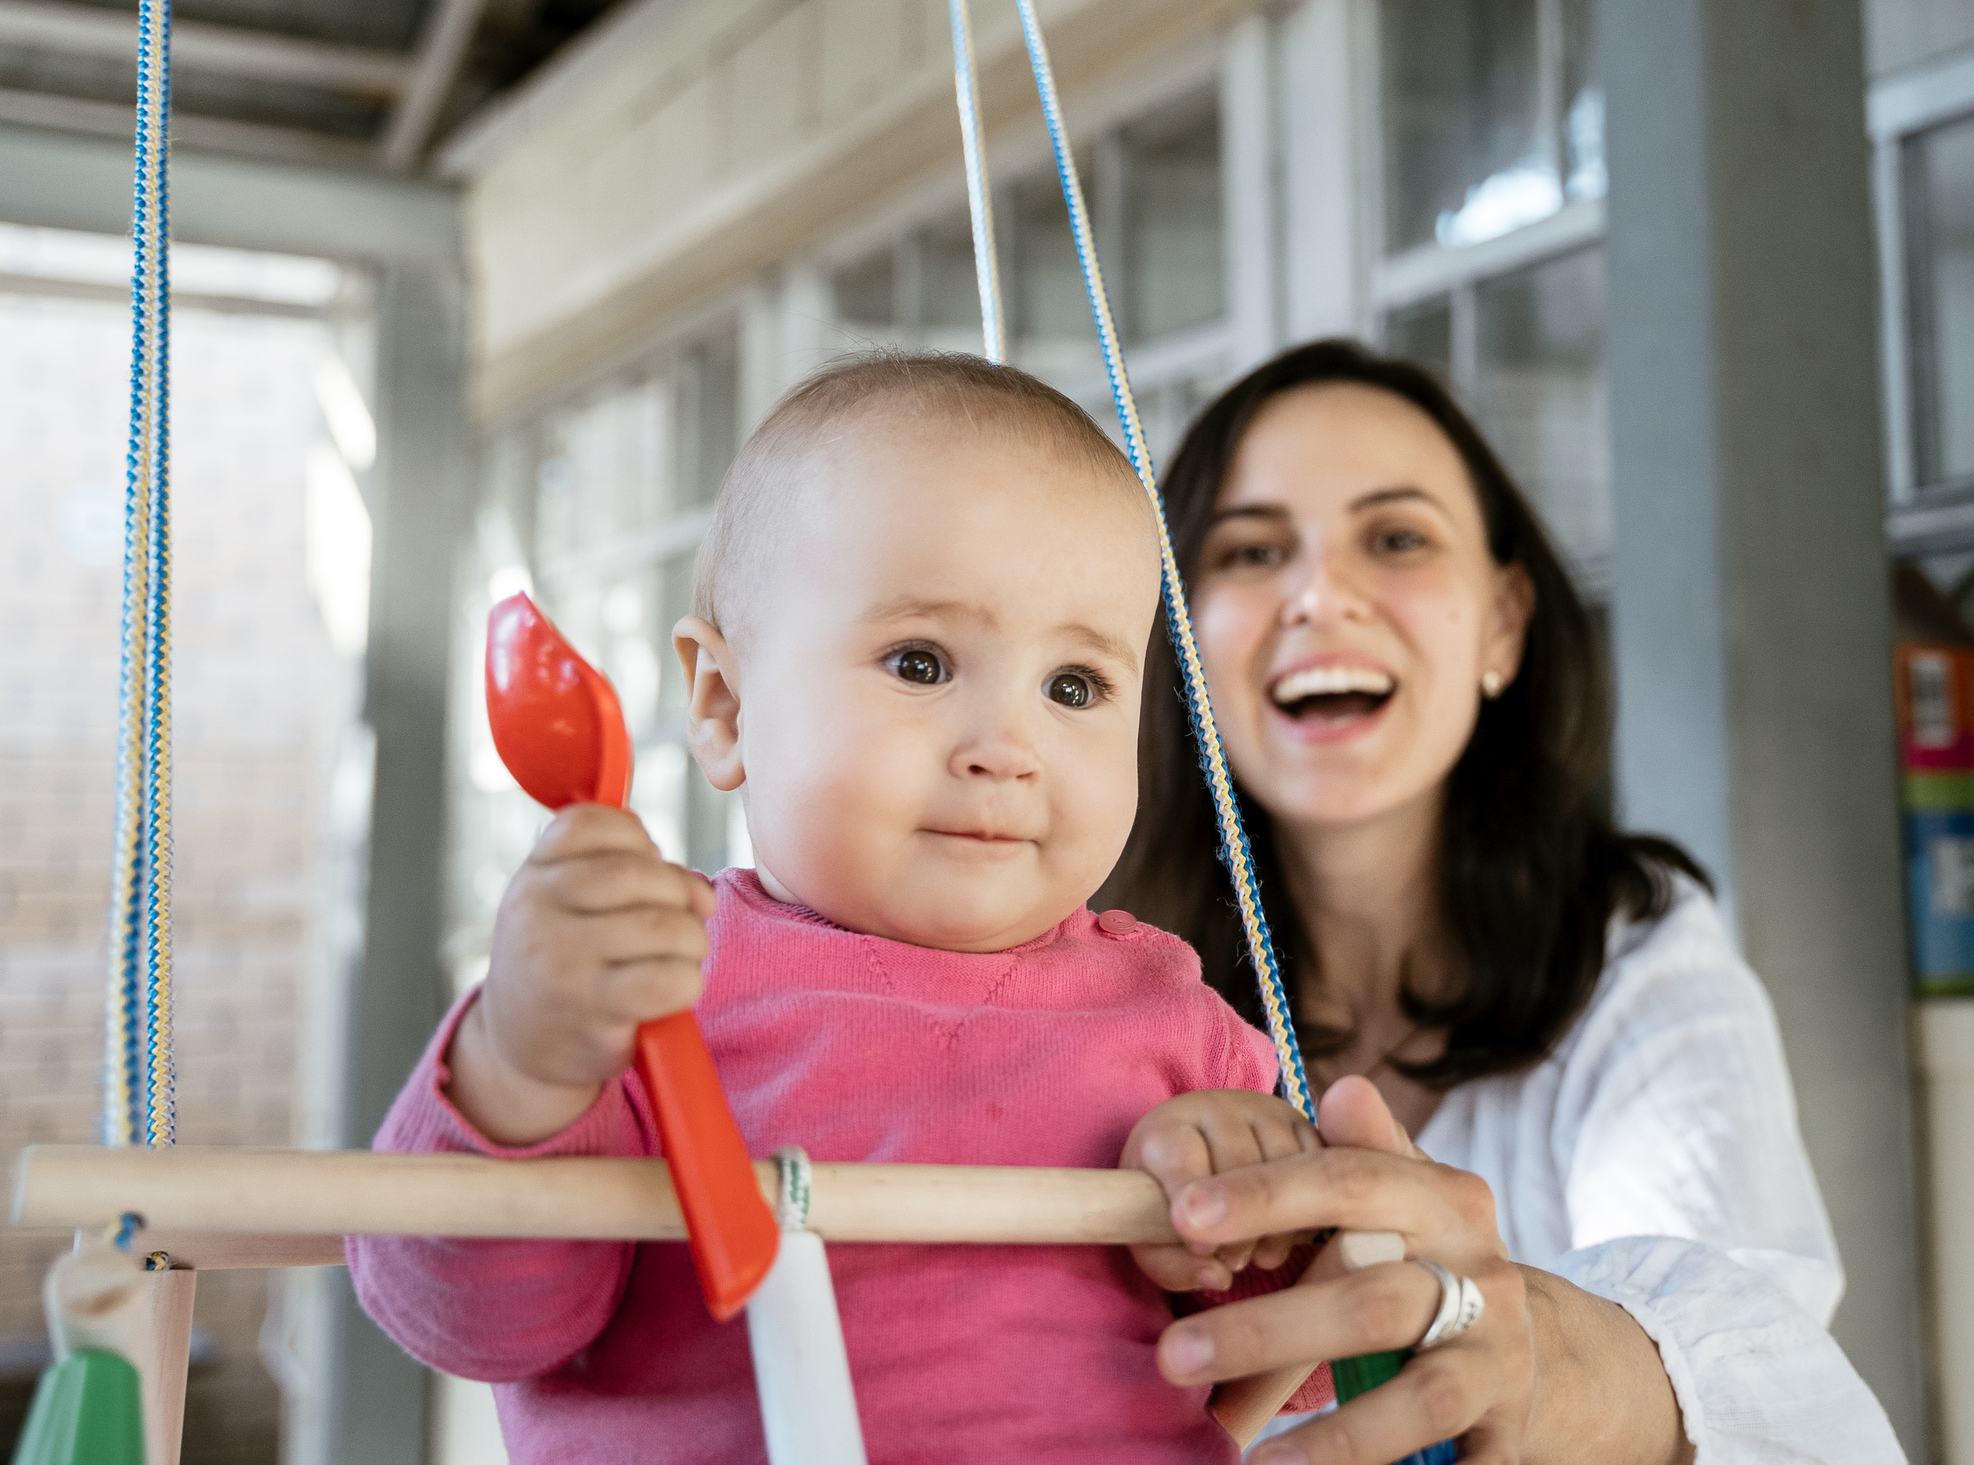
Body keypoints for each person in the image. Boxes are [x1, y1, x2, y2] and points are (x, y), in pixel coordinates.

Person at [349, 352, 1327, 1463]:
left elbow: (1308, 1361)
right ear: (723, 705)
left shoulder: (1174, 1020)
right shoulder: (644, 980)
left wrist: (1253, 1218)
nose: (1006, 750)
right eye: (920, 663)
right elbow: (467, 1320)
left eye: (1074, 687)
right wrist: (524, 1069)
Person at [1103, 340, 1906, 1465]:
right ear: (1178, 642)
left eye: (1395, 538)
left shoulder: (1628, 956)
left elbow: (1754, 1338)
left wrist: (1551, 1370)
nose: (1320, 595)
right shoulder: (1079, 980)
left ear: (1503, 623)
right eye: (1251, 550)